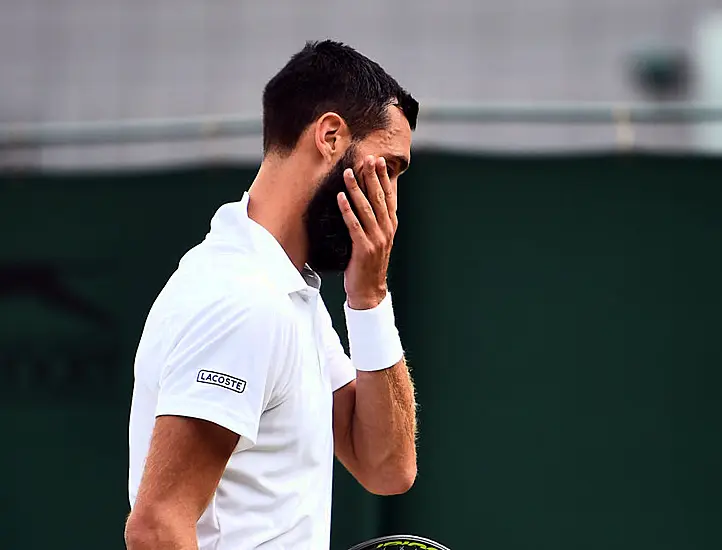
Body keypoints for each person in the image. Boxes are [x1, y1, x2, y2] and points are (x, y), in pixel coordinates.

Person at [124, 40, 419, 550]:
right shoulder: (242, 300)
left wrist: (369, 299)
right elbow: (157, 528)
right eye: (387, 168)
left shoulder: (287, 293)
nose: (391, 198)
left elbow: (387, 467)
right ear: (330, 136)